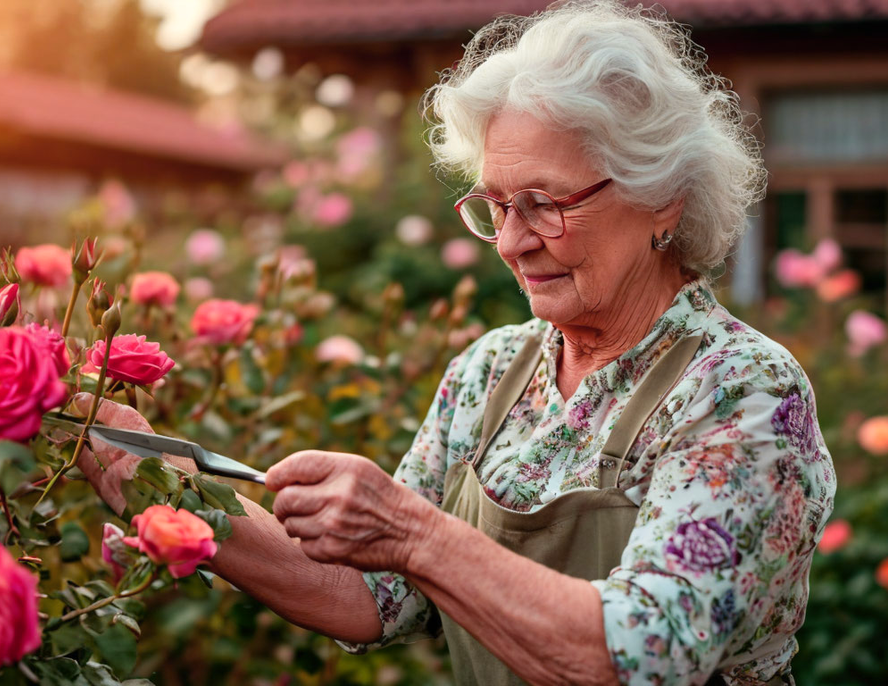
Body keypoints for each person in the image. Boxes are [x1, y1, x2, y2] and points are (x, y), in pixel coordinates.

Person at [78, 2, 835, 684]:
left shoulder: (741, 390)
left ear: (662, 196)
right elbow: (373, 593)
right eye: (495, 206)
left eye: (542, 204)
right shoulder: (492, 371)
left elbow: (644, 655)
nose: (510, 242)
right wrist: (170, 489)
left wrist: (413, 534)